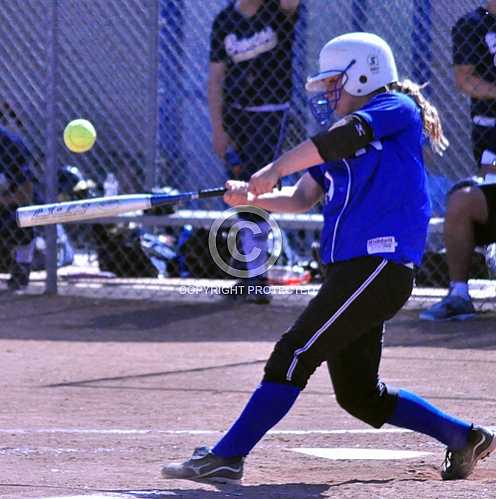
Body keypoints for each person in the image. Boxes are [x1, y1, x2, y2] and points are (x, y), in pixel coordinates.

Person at [162, 32, 494, 483]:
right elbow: (300, 198)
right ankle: (463, 436)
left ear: (365, 72)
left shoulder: (394, 109)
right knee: (359, 395)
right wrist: (248, 198)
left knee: (294, 352)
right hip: (354, 272)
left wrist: (273, 168)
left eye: (336, 82)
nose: (329, 92)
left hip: (378, 265)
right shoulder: (340, 136)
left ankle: (228, 456)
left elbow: (335, 142)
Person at [208, 0, 300, 303]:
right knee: (238, 189)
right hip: (236, 115)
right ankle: (249, 269)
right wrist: (219, 130)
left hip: (270, 113)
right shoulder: (224, 20)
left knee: (259, 187)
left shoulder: (277, 10)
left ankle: (256, 276)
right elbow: (216, 78)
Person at [420, 1, 496, 321]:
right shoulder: (472, 24)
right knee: (462, 201)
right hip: (490, 138)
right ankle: (459, 295)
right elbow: (464, 80)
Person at [0, 125, 35, 291]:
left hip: (8, 207)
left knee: (22, 218)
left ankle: (22, 263)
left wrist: (3, 200)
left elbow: (26, 194)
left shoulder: (9, 143)